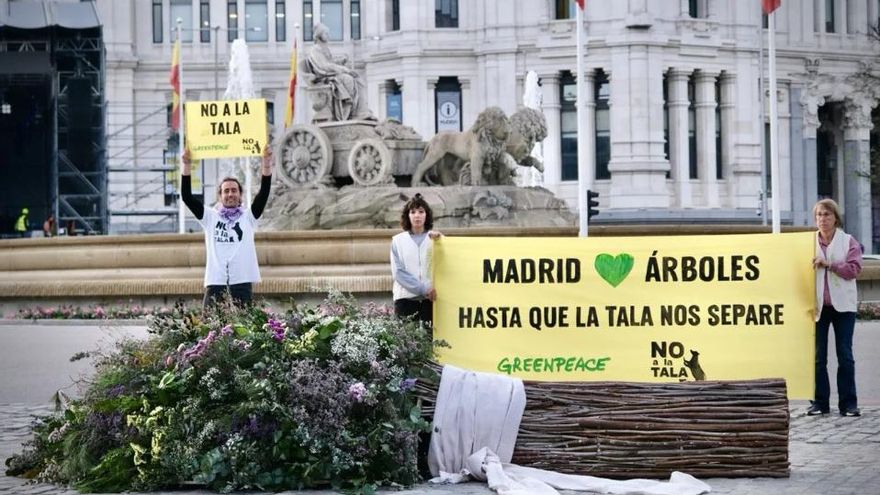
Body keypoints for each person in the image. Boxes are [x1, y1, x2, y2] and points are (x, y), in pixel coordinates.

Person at [181, 147, 272, 309]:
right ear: (220, 196)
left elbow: (264, 192)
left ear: (240, 195)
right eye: (226, 191)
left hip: (241, 280)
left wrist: (266, 164)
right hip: (216, 280)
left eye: (234, 191)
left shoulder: (248, 217)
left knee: (245, 328)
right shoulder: (209, 217)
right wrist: (186, 166)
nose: (230, 194)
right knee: (209, 328)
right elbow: (187, 197)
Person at [807, 198, 863, 417]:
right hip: (818, 305)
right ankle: (820, 402)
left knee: (845, 355)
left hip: (843, 306)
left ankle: (848, 404)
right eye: (819, 215)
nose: (823, 219)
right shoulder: (808, 241)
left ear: (835, 218)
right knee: (818, 357)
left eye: (827, 215)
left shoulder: (848, 241)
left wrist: (829, 265)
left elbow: (854, 269)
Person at [305, 23, 374, 121]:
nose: (328, 36)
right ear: (319, 35)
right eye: (325, 33)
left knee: (358, 79)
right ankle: (350, 112)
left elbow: (330, 63)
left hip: (332, 74)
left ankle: (361, 110)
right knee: (349, 79)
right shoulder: (315, 50)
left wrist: (341, 61)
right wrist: (344, 69)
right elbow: (324, 66)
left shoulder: (324, 49)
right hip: (326, 77)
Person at [390, 193, 441, 326]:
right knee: (406, 343)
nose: (417, 215)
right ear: (408, 215)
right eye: (413, 212)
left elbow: (445, 265)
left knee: (432, 342)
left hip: (431, 300)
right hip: (405, 299)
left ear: (426, 215)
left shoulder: (436, 239)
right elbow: (398, 272)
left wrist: (442, 242)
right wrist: (423, 289)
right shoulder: (398, 241)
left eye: (421, 211)